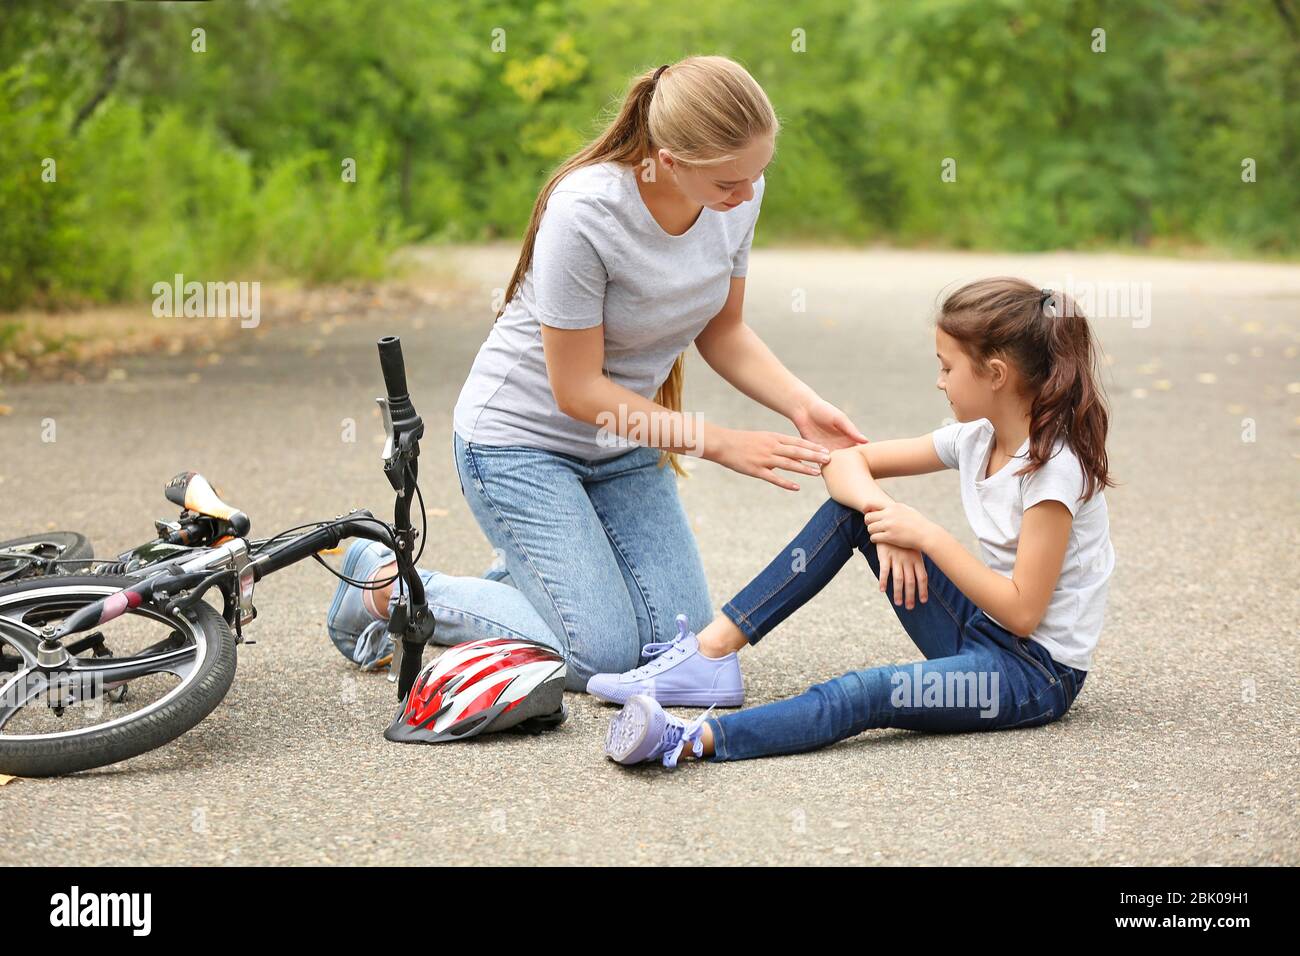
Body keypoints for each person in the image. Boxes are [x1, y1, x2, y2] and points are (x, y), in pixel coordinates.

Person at [326, 55, 865, 690]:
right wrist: (719, 442)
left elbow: (722, 329)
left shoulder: (735, 195)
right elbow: (576, 389)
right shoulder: (586, 210)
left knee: (673, 645)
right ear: (669, 160)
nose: (745, 195)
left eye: (758, 174)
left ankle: (541, 577)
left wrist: (800, 404)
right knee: (600, 655)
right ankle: (386, 585)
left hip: (627, 444)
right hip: (519, 446)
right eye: (728, 182)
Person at [597, 277, 1116, 768]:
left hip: (1030, 673)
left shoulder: (1051, 471)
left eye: (947, 367)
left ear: (997, 374)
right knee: (851, 512)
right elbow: (846, 462)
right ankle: (711, 654)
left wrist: (926, 536)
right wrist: (884, 519)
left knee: (864, 694)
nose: (939, 382)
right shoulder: (976, 438)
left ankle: (689, 740)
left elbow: (1024, 612)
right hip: (980, 629)